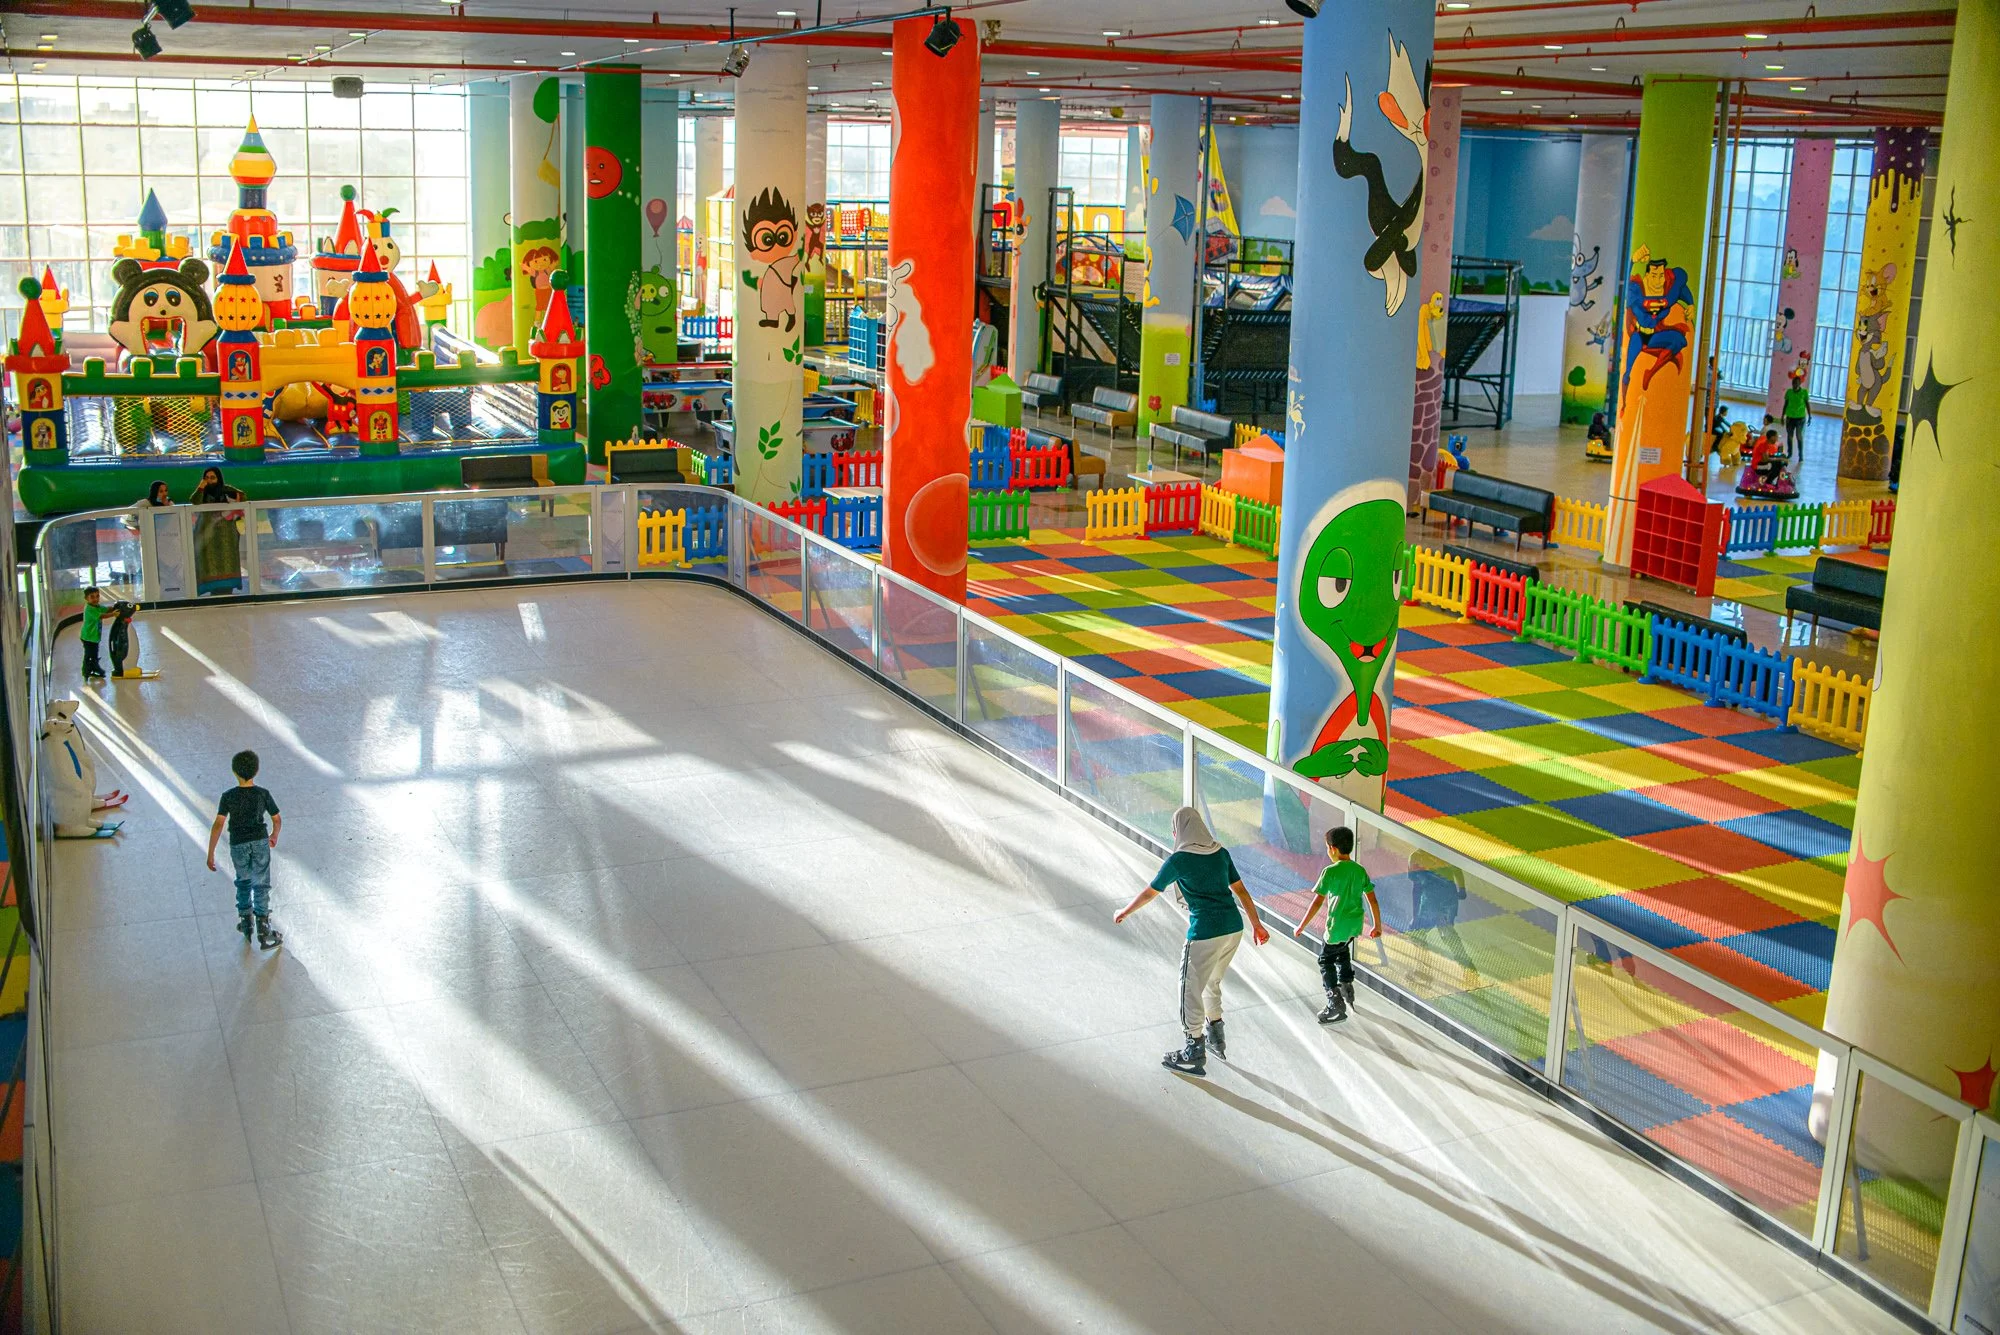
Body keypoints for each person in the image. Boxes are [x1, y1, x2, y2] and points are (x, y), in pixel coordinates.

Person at [1114, 806, 1269, 1076]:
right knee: (1211, 981)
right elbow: (1241, 891)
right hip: (1233, 927)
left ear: (1179, 830)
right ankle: (1215, 1035)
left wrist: (1124, 911)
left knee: (1189, 988)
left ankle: (1193, 1050)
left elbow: (1151, 891)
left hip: (1205, 931)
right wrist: (1257, 925)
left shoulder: (1179, 860)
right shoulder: (1221, 853)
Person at [1292, 826, 1383, 1024]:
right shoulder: (1359, 870)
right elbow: (1373, 900)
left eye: (1327, 848)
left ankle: (1335, 1003)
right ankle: (1347, 986)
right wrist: (1377, 926)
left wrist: (1301, 925)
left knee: (1325, 960)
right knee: (1342, 952)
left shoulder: (1330, 872)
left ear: (1333, 849)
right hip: (1354, 926)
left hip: (1336, 927)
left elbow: (1317, 902)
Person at [205, 749, 283, 949]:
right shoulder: (263, 794)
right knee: (261, 882)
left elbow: (218, 824)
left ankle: (246, 921)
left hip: (238, 844)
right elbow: (276, 818)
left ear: (235, 772)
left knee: (243, 881)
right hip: (259, 841)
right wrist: (274, 835)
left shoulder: (228, 796)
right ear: (256, 771)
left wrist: (211, 852)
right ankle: (264, 928)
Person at [188, 467, 247, 596]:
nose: (210, 481)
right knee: (209, 561)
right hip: (207, 533)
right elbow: (194, 501)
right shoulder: (202, 492)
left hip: (226, 534)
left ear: (218, 478)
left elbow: (243, 497)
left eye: (212, 478)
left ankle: (227, 588)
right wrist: (201, 487)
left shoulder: (227, 490)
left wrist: (234, 502)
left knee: (228, 560)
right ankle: (213, 589)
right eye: (207, 478)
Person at [79, 587, 106, 682]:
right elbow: (102, 615)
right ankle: (86, 670)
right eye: (92, 597)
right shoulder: (89, 609)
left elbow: (105, 609)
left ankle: (94, 667)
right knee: (89, 654)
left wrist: (114, 608)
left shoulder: (96, 606)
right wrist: (114, 614)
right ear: (86, 598)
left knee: (94, 653)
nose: (95, 599)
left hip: (93, 637)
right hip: (88, 637)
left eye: (97, 596)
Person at [106, 599, 139, 678]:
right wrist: (121, 654)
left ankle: (127, 667)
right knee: (128, 646)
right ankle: (126, 668)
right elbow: (121, 643)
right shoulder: (122, 627)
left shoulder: (120, 624)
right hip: (124, 660)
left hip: (123, 659)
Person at [1782, 374, 1811, 458]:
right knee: (1790, 436)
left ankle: (1800, 454)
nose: (1794, 385)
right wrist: (1782, 416)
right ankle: (1790, 453)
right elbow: (1785, 404)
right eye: (1793, 383)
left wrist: (1810, 416)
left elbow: (1807, 404)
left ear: (1799, 384)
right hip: (1790, 418)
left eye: (1796, 383)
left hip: (1800, 419)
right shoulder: (1789, 392)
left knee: (1799, 436)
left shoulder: (1804, 392)